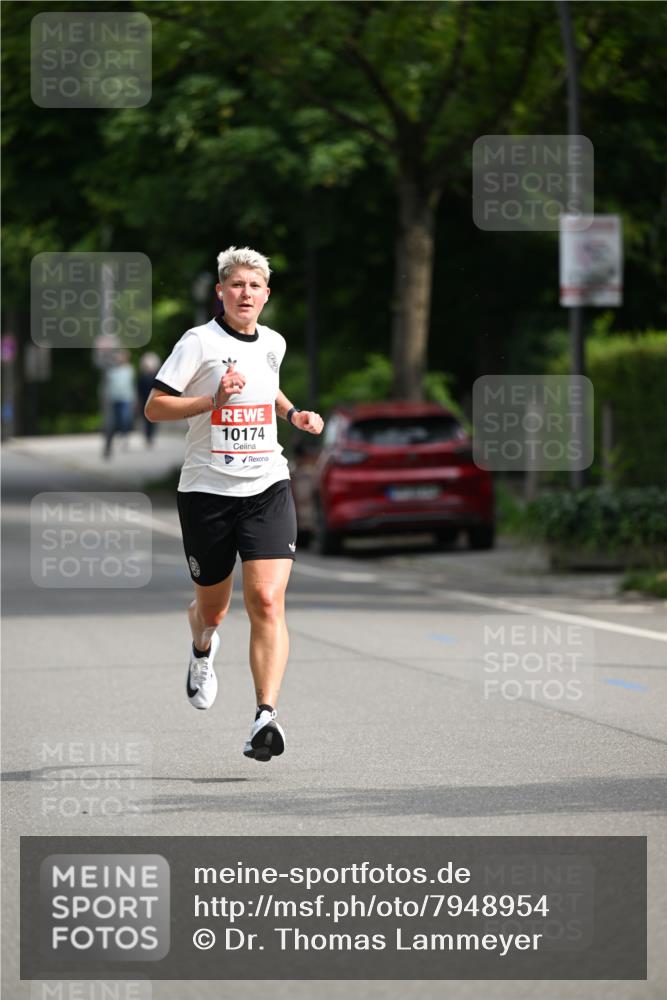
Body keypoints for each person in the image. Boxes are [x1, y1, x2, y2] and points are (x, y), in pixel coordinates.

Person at [144, 247, 323, 762]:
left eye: (255, 286)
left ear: (267, 294)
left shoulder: (274, 343)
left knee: (266, 600)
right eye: (237, 285)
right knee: (214, 610)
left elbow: (269, 388)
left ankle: (265, 715)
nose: (246, 294)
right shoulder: (197, 342)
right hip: (208, 492)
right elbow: (155, 406)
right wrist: (212, 401)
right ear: (220, 292)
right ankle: (202, 649)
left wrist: (293, 414)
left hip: (267, 485)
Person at [102, 349, 136, 459]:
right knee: (114, 421)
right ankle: (111, 444)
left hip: (126, 398)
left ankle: (124, 435)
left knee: (125, 418)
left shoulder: (129, 369)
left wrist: (135, 400)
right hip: (113, 399)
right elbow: (106, 386)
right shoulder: (111, 370)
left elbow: (131, 385)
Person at [137, 352, 161, 446]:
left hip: (155, 401)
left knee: (154, 420)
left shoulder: (157, 377)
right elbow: (139, 390)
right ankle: (147, 436)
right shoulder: (142, 377)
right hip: (144, 401)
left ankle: (151, 436)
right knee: (146, 420)